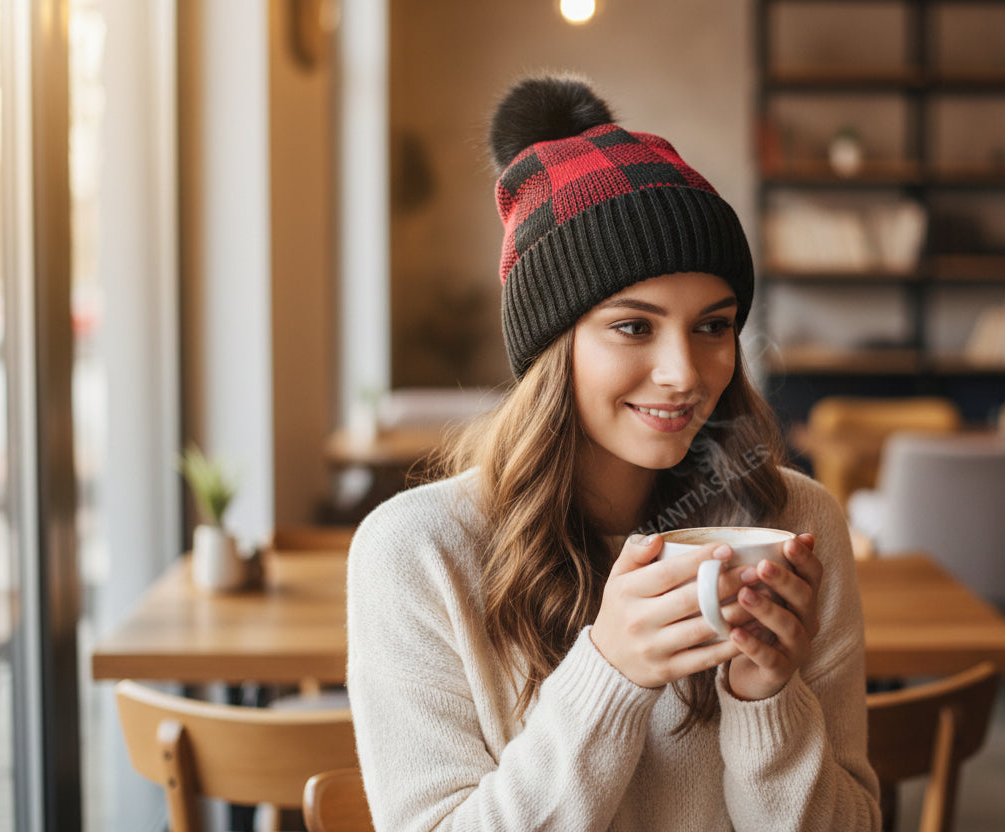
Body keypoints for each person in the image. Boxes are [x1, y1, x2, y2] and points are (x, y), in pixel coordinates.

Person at [347, 74, 880, 831]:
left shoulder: (794, 523)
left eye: (713, 325)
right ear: (551, 349)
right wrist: (610, 677)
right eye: (634, 326)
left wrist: (767, 704)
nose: (686, 374)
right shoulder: (417, 552)